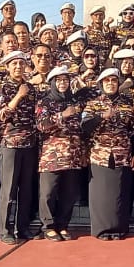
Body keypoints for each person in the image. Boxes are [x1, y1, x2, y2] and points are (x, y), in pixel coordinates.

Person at [81, 68, 134, 239]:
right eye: (107, 81)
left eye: (114, 80)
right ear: (101, 84)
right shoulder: (93, 104)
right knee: (101, 195)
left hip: (122, 155)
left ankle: (119, 229)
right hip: (100, 155)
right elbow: (84, 127)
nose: (111, 84)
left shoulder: (127, 104)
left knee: (120, 194)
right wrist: (101, 117)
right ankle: (102, 230)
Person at [0, 51, 40, 244]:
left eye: (21, 64)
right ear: (7, 67)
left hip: (30, 144)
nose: (18, 67)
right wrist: (19, 96)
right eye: (14, 64)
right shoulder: (2, 88)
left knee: (26, 189)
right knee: (9, 190)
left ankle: (23, 227)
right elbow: (1, 115)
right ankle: (5, 230)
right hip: (10, 144)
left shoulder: (31, 88)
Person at [36, 66, 87, 241]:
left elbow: (81, 128)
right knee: (48, 193)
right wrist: (62, 115)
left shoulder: (74, 101)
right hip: (52, 157)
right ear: (52, 83)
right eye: (59, 80)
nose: (63, 83)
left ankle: (63, 224)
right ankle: (48, 226)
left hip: (73, 156)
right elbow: (41, 125)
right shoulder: (45, 102)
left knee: (69, 193)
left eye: (66, 80)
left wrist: (83, 152)